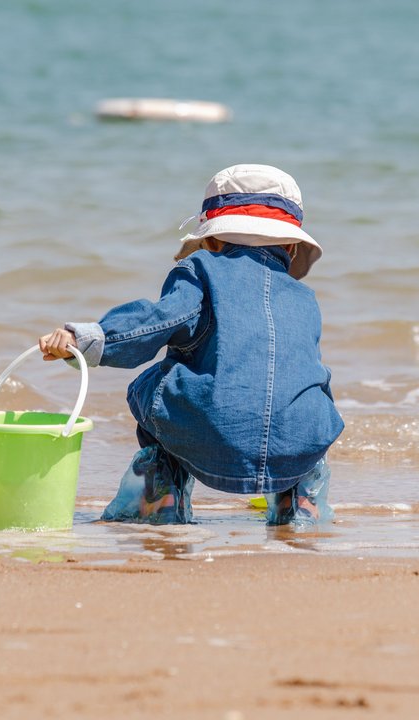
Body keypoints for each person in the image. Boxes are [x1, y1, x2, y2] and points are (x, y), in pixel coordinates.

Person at [38, 164, 344, 528]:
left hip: (214, 437)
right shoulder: (305, 297)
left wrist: (87, 339)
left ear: (211, 240)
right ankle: (299, 504)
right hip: (295, 447)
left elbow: (155, 323)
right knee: (306, 400)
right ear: (292, 247)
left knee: (148, 385)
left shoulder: (200, 270)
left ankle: (162, 495)